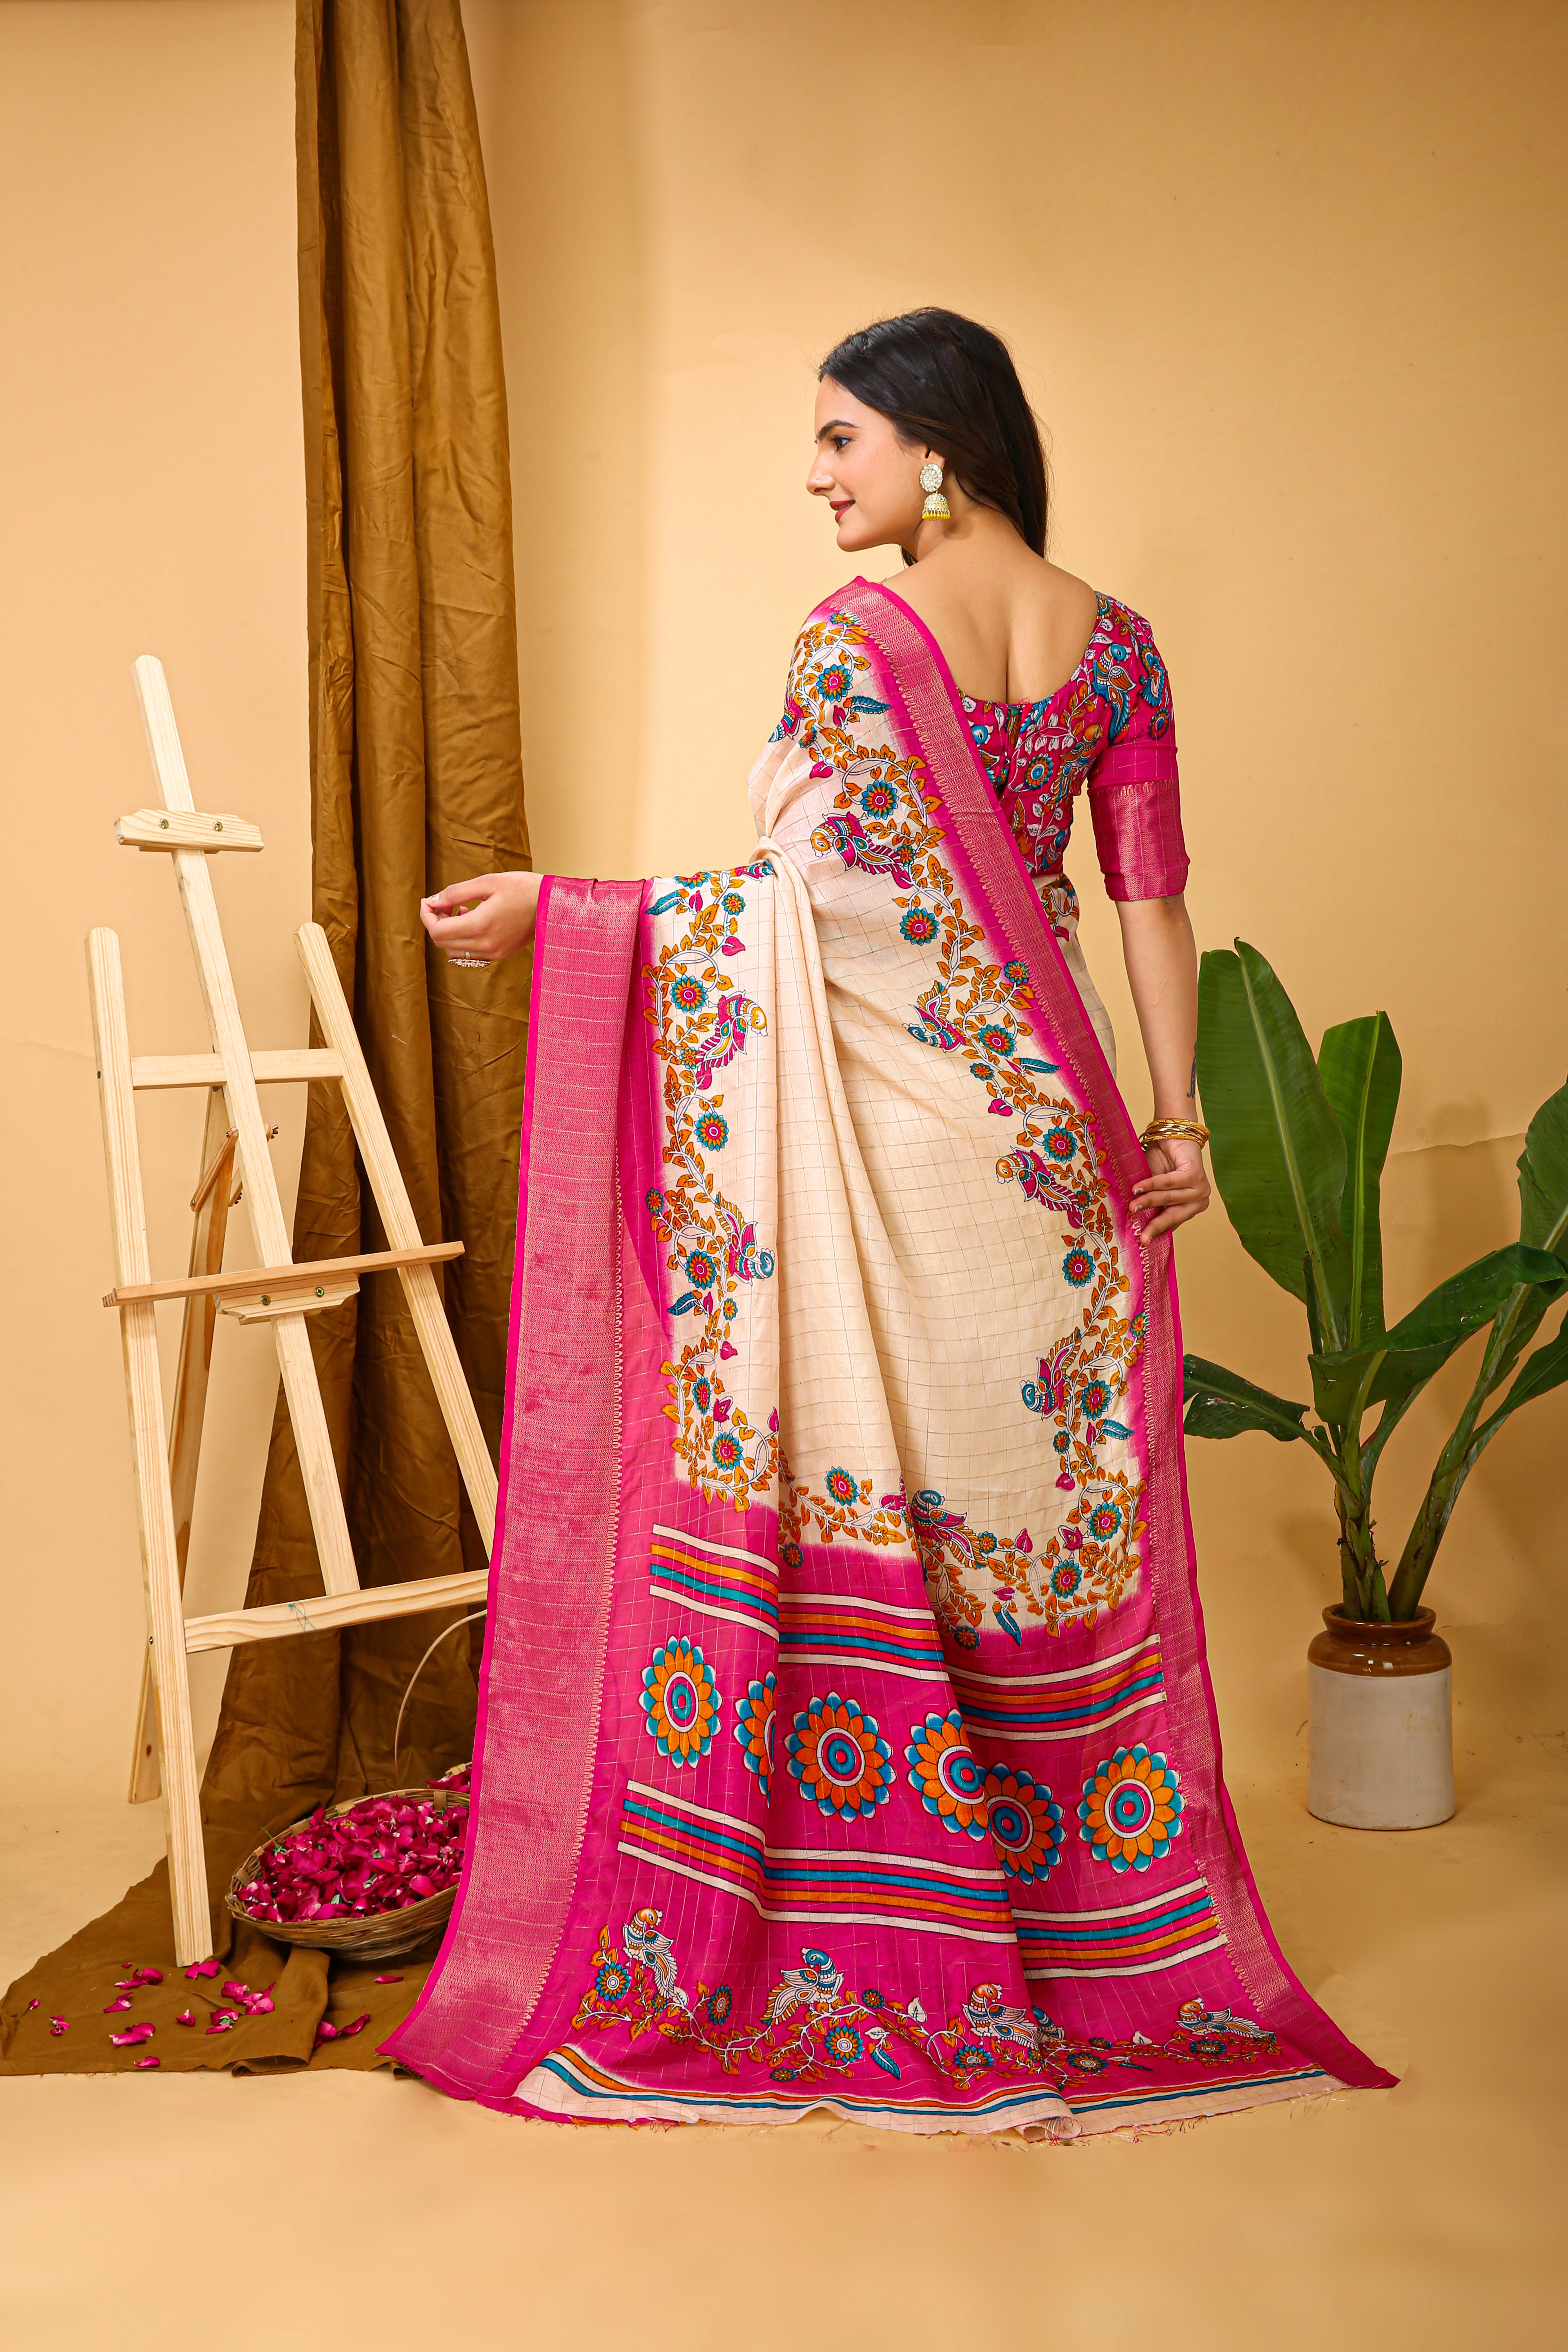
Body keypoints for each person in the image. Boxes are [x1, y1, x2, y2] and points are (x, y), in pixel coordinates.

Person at [387, 310, 1389, 2133]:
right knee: (1021, 1521)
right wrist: (1177, 1116)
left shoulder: (857, 645)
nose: (819, 475)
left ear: (938, 446)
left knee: (897, 1512)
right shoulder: (1123, 645)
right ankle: (1082, 1912)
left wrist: (566, 908)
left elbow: (802, 909)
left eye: (842, 439)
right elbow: (1150, 901)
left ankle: (900, 1918)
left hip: (899, 1156)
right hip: (1062, 1152)